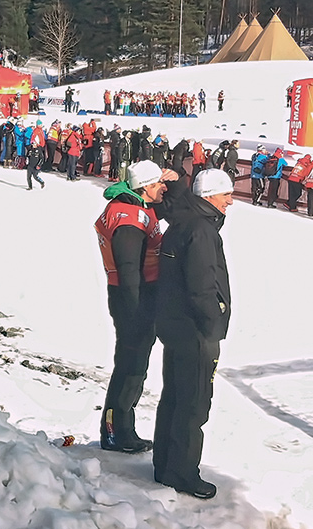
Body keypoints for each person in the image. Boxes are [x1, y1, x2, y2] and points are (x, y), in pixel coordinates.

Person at [153, 169, 233, 499]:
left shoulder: (182, 222)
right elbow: (201, 287)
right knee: (194, 403)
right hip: (194, 330)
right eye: (226, 194)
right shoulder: (201, 229)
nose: (231, 200)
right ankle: (184, 473)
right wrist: (213, 322)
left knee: (174, 396)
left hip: (174, 324)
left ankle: (166, 466)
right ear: (210, 195)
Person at [94, 161, 178, 454]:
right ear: (145, 187)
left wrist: (173, 177)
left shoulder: (136, 204)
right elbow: (128, 269)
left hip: (137, 295)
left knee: (134, 366)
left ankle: (121, 429)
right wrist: (136, 312)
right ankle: (116, 433)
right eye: (158, 185)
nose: (163, 189)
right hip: (132, 297)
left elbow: (170, 206)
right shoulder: (129, 218)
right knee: (130, 367)